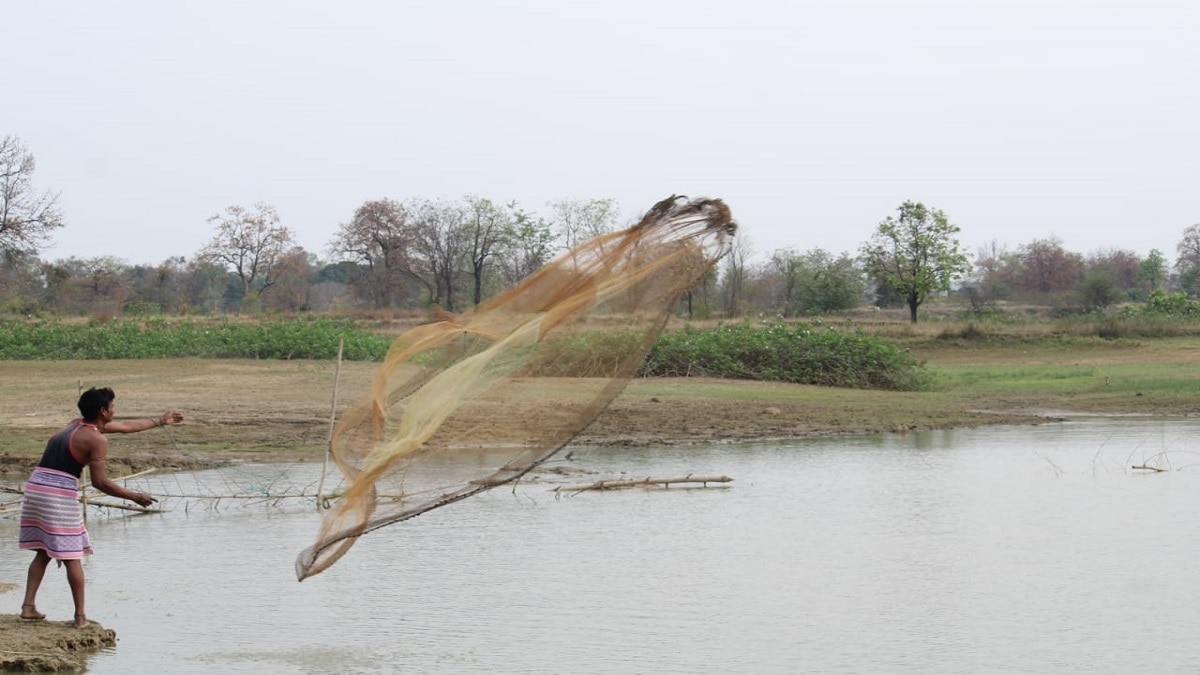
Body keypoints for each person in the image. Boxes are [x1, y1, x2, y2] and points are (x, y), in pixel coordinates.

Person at [18, 387, 183, 628]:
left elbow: (126, 427)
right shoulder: (97, 440)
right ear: (103, 411)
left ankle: (28, 607)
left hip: (36, 486)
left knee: (44, 550)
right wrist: (135, 496)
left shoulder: (75, 425)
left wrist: (160, 420)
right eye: (113, 406)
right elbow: (100, 482)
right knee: (72, 554)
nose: (115, 410)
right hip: (57, 494)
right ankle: (80, 618)